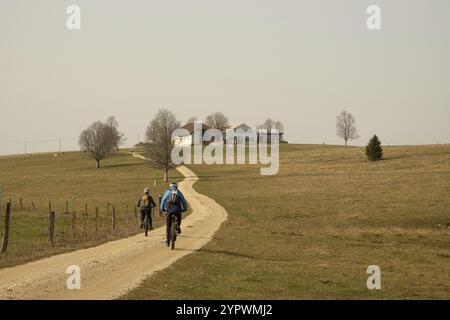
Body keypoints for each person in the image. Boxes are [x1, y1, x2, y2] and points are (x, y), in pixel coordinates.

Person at [160, 182, 187, 246]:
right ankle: (178, 227)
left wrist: (162, 209)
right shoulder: (179, 193)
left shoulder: (167, 192)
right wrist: (184, 209)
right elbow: (184, 201)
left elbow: (163, 200)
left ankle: (167, 239)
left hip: (169, 211)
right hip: (177, 210)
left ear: (170, 187)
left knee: (168, 225)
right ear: (177, 187)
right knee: (179, 217)